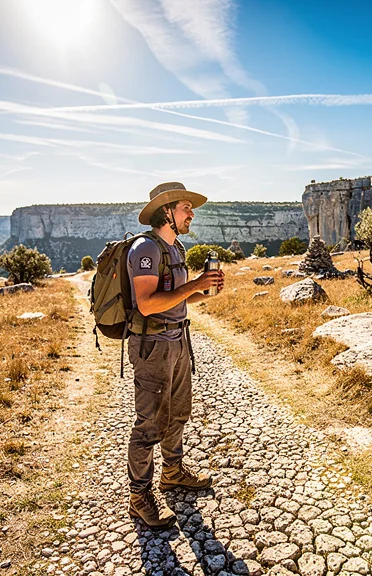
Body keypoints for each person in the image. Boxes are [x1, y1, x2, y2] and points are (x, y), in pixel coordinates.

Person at [126, 182, 224, 528]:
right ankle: (139, 497)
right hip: (152, 347)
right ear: (166, 211)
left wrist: (203, 292)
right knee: (149, 422)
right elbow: (148, 304)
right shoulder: (145, 250)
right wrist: (193, 285)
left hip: (178, 341)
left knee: (179, 411)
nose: (191, 214)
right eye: (186, 207)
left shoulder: (176, 247)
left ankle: (172, 472)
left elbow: (177, 298)